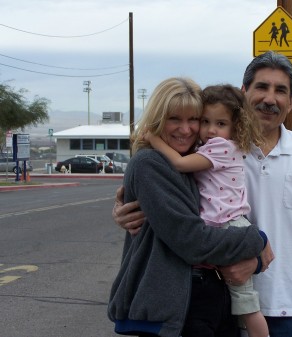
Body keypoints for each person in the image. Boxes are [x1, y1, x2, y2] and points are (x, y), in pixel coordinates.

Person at [112, 51, 292, 337]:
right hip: (216, 301)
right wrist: (125, 208)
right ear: (243, 92)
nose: (270, 99)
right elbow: (170, 208)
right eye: (262, 87)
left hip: (284, 305)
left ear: (290, 102)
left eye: (281, 91)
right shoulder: (207, 151)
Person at [107, 77, 273, 337]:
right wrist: (256, 240)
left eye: (193, 119)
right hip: (175, 309)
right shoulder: (150, 163)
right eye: (175, 119)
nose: (186, 129)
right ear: (158, 119)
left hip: (209, 298)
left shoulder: (196, 159)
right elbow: (191, 240)